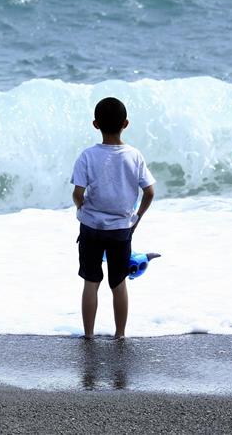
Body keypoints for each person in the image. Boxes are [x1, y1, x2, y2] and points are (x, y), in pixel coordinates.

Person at [71, 97, 155, 339]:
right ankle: (120, 334)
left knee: (91, 282)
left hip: (91, 227)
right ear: (125, 124)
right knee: (119, 283)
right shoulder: (134, 156)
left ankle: (89, 334)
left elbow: (78, 193)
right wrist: (136, 217)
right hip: (120, 229)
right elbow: (149, 192)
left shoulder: (87, 156)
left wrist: (81, 206)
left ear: (95, 124)